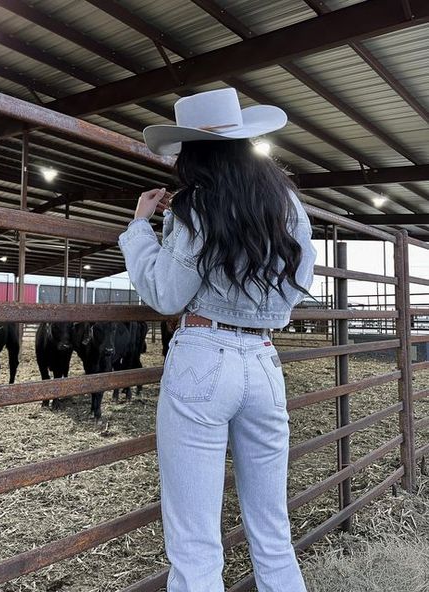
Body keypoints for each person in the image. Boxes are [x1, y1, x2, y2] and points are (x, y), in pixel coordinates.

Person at [118, 88, 317, 592]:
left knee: (195, 542)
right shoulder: (287, 205)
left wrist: (140, 229)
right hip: (265, 361)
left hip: (203, 358)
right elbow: (295, 289)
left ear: (195, 152)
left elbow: (166, 292)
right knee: (273, 529)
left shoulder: (196, 206)